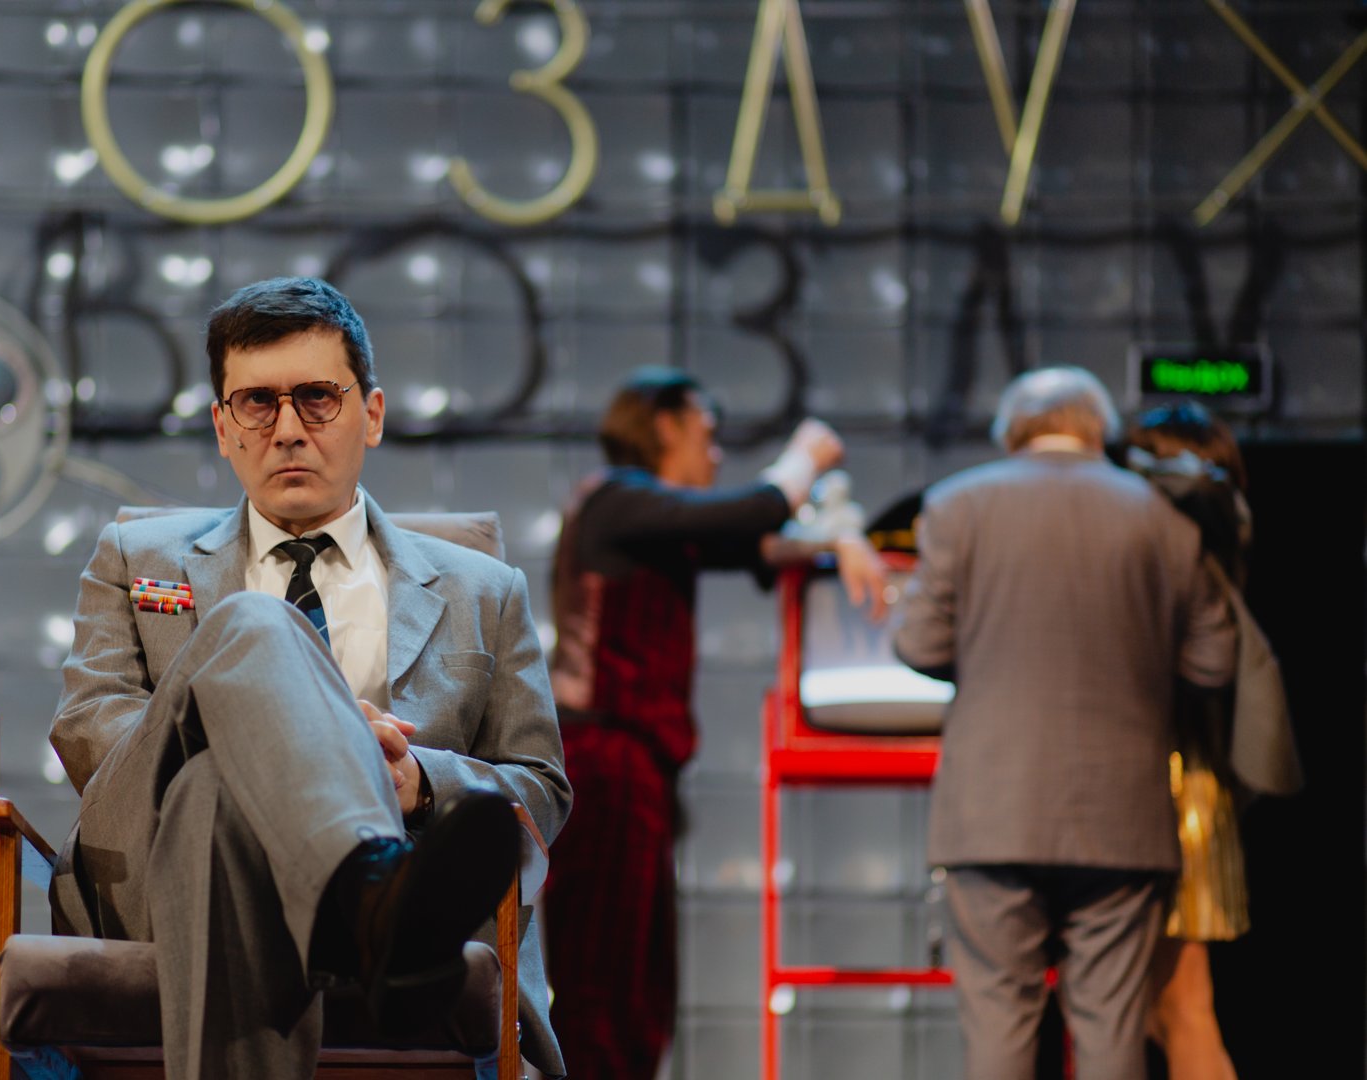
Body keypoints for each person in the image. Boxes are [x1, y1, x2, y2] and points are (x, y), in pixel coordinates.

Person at [46, 277, 572, 1079]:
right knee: (254, 630)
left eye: (318, 399)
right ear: (223, 428)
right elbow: (90, 724)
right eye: (257, 404)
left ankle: (357, 891)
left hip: (281, 845)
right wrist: (263, 737)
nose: (287, 429)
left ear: (373, 415)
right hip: (148, 873)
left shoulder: (483, 591)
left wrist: (415, 780)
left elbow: (541, 787)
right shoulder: (136, 557)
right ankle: (366, 894)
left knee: (212, 801)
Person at [542, 366, 887, 1079]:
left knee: (640, 984)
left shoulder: (654, 522)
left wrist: (844, 536)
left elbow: (760, 540)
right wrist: (806, 455)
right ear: (664, 425)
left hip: (635, 766)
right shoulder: (615, 499)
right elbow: (755, 512)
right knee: (603, 978)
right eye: (706, 432)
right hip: (603, 760)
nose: (716, 452)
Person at [894, 367, 1236, 1080]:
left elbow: (919, 645)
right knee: (1112, 1030)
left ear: (1012, 431)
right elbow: (1213, 663)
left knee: (999, 1024)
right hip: (1123, 814)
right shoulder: (1163, 518)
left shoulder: (957, 506)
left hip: (992, 810)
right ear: (1097, 430)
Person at [1124, 401, 1301, 1080]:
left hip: (1174, 792)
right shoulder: (1211, 538)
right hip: (1189, 783)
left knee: (1184, 1011)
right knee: (1158, 1013)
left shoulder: (1190, 526)